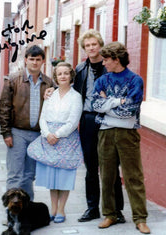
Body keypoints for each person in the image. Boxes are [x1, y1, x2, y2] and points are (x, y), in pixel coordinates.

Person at [92, 41, 150, 234]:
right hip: (105, 133)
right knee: (107, 176)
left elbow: (130, 111)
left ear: (116, 59)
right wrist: (118, 101)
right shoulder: (101, 80)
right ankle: (110, 214)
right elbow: (95, 105)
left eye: (106, 59)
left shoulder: (135, 80)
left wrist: (107, 104)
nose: (104, 63)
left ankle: (140, 218)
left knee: (134, 176)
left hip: (127, 134)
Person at [74, 29, 125, 223]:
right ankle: (92, 208)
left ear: (100, 45)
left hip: (109, 121)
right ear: (84, 48)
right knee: (91, 167)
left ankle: (116, 211)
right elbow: (72, 94)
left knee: (111, 166)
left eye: (94, 44)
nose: (91, 48)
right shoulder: (80, 69)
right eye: (87, 45)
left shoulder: (111, 67)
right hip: (87, 120)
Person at [27, 62, 83, 223]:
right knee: (53, 176)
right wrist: (47, 134)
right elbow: (43, 116)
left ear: (71, 76)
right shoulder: (50, 94)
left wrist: (57, 134)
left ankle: (61, 209)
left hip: (66, 138)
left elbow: (73, 121)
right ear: (56, 77)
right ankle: (52, 208)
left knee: (64, 175)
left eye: (66, 73)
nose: (63, 76)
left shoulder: (76, 97)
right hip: (49, 137)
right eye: (60, 74)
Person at [0, 45, 54, 201]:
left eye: (38, 60)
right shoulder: (13, 80)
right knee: (15, 174)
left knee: (29, 175)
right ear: (25, 60)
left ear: (43, 61)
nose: (34, 63)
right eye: (31, 59)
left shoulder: (49, 83)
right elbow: (4, 107)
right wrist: (6, 132)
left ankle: (27, 210)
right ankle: (11, 213)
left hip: (38, 135)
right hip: (17, 133)